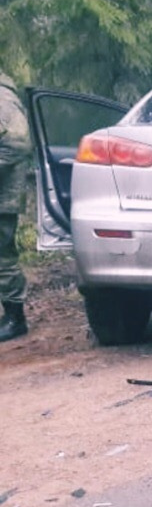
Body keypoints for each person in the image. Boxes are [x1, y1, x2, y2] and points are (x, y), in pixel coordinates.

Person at [0, 72, 31, 341]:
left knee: (3, 259)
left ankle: (14, 318)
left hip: (2, 199)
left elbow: (18, 144)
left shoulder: (2, 98)